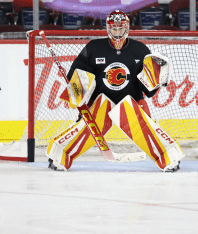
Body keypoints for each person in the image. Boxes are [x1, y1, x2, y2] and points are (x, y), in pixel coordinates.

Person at [46, 10, 184, 172]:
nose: (117, 32)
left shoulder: (140, 50)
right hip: (100, 103)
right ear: (108, 28)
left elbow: (148, 90)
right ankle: (59, 155)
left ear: (127, 27)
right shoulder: (93, 48)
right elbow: (76, 76)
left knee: (149, 129)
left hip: (132, 102)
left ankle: (169, 157)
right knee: (83, 130)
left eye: (120, 28)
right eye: (114, 29)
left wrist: (157, 82)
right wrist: (79, 94)